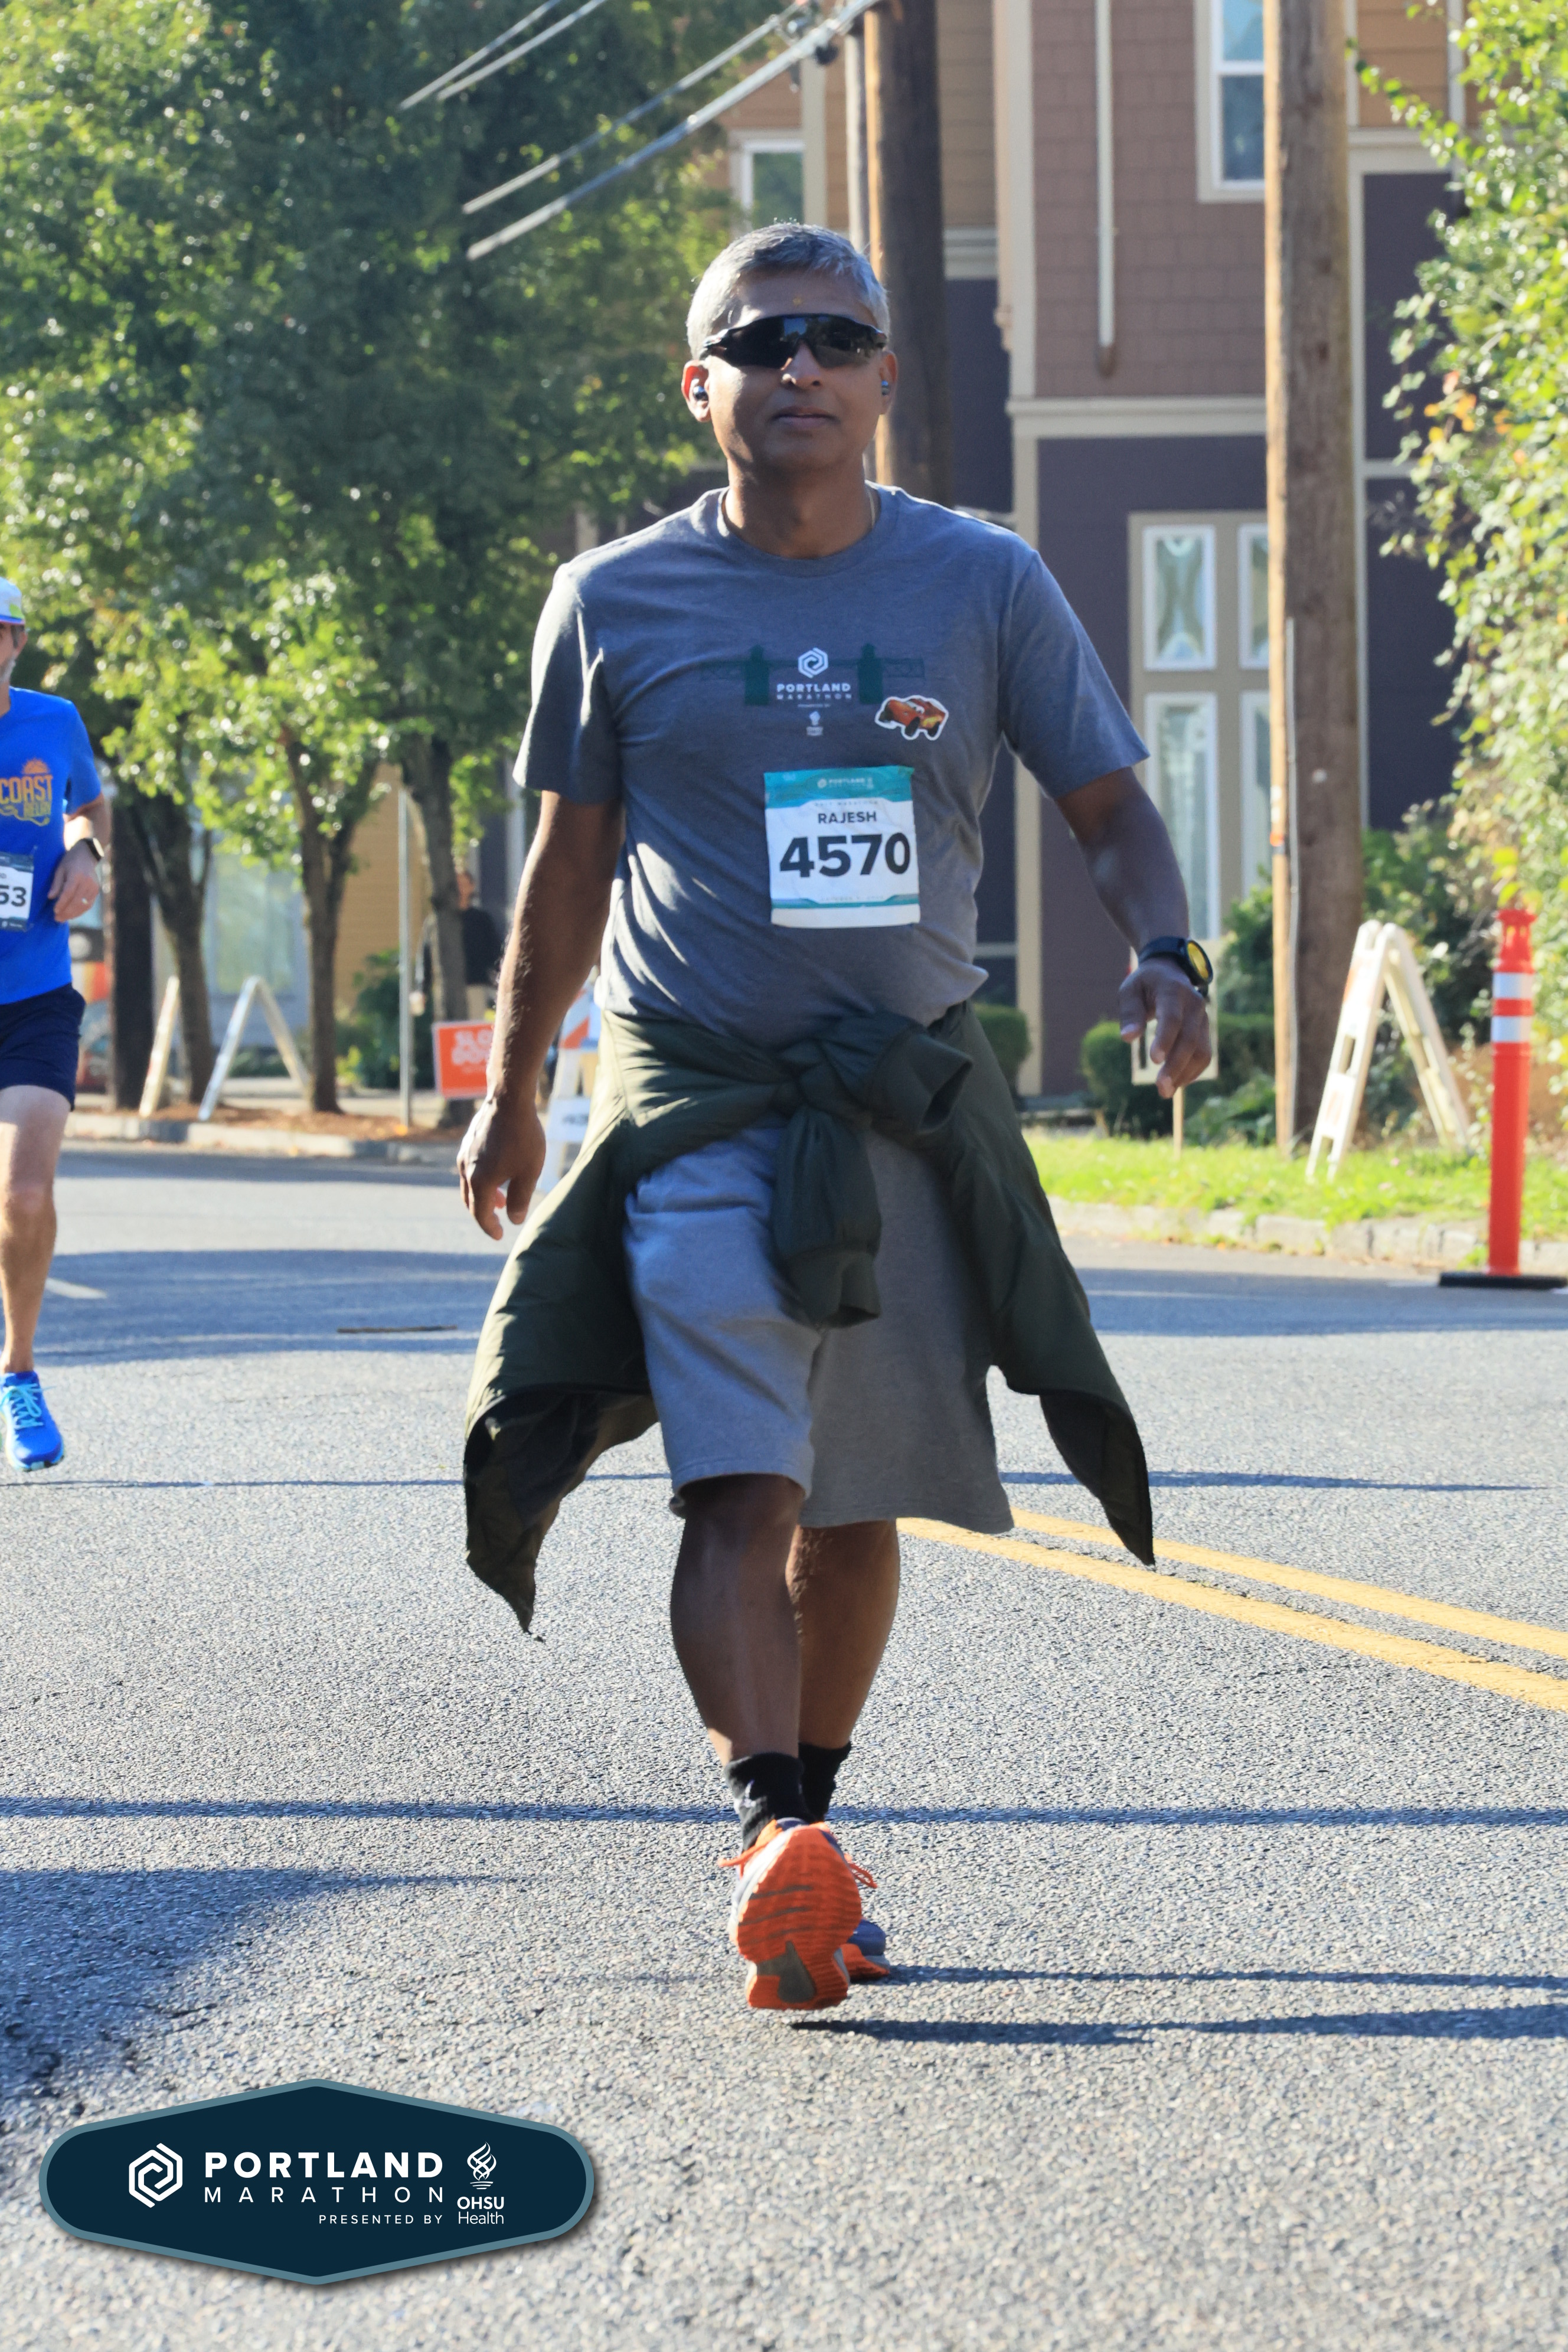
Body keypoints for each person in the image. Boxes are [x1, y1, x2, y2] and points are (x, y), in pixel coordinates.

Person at [455, 225, 1212, 2014]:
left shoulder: (983, 581)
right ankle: (769, 1833)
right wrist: (512, 1088)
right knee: (743, 1474)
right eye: (758, 341)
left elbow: (1108, 806)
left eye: (833, 340)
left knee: (856, 1500)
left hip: (901, 1108)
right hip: (700, 1099)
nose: (797, 366)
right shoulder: (614, 601)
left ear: (881, 378)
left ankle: (810, 1833)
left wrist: (1166, 953)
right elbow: (566, 872)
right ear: (698, 384)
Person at [0, 576, 109, 1471]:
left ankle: (20, 1371)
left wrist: (85, 851)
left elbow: (90, 803)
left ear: (16, 641)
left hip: (34, 996)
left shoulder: (54, 720)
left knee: (26, 1196)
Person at [414, 868, 504, 1021]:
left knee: (472, 1028)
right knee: (447, 1029)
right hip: (446, 988)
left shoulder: (482, 920)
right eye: (456, 884)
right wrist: (422, 989)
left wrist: (500, 984)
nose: (460, 889)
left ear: (472, 887)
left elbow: (496, 954)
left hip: (475, 986)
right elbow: (425, 956)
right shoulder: (436, 922)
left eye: (464, 884)